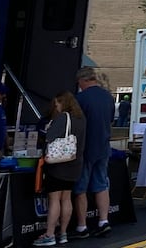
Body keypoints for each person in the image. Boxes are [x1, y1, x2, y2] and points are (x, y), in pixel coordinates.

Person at [34, 92, 84, 247]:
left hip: (58, 165)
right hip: (74, 164)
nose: (56, 107)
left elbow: (49, 136)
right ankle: (62, 233)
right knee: (66, 198)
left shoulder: (63, 118)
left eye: (57, 104)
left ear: (63, 103)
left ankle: (49, 234)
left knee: (54, 199)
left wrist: (48, 128)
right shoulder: (81, 119)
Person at [71, 67, 114, 238]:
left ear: (83, 80)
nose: (79, 86)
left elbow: (75, 124)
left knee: (81, 188)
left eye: (79, 83)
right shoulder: (108, 98)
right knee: (101, 184)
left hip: (85, 148)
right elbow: (110, 120)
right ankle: (104, 221)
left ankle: (82, 227)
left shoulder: (80, 99)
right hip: (103, 146)